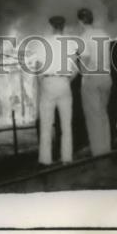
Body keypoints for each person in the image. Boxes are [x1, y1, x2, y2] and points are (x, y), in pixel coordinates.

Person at [35, 15, 77, 166]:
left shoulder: (43, 42)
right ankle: (67, 158)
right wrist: (66, 80)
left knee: (46, 124)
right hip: (64, 83)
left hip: (48, 82)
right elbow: (75, 69)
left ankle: (45, 160)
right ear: (63, 27)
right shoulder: (70, 43)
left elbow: (38, 67)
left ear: (51, 26)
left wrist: (43, 82)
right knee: (66, 125)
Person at [76, 6, 113, 157]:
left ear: (80, 21)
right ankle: (106, 148)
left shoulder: (84, 38)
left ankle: (98, 153)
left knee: (93, 117)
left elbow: (84, 64)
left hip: (92, 79)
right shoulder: (103, 34)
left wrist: (76, 64)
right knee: (103, 114)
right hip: (106, 77)